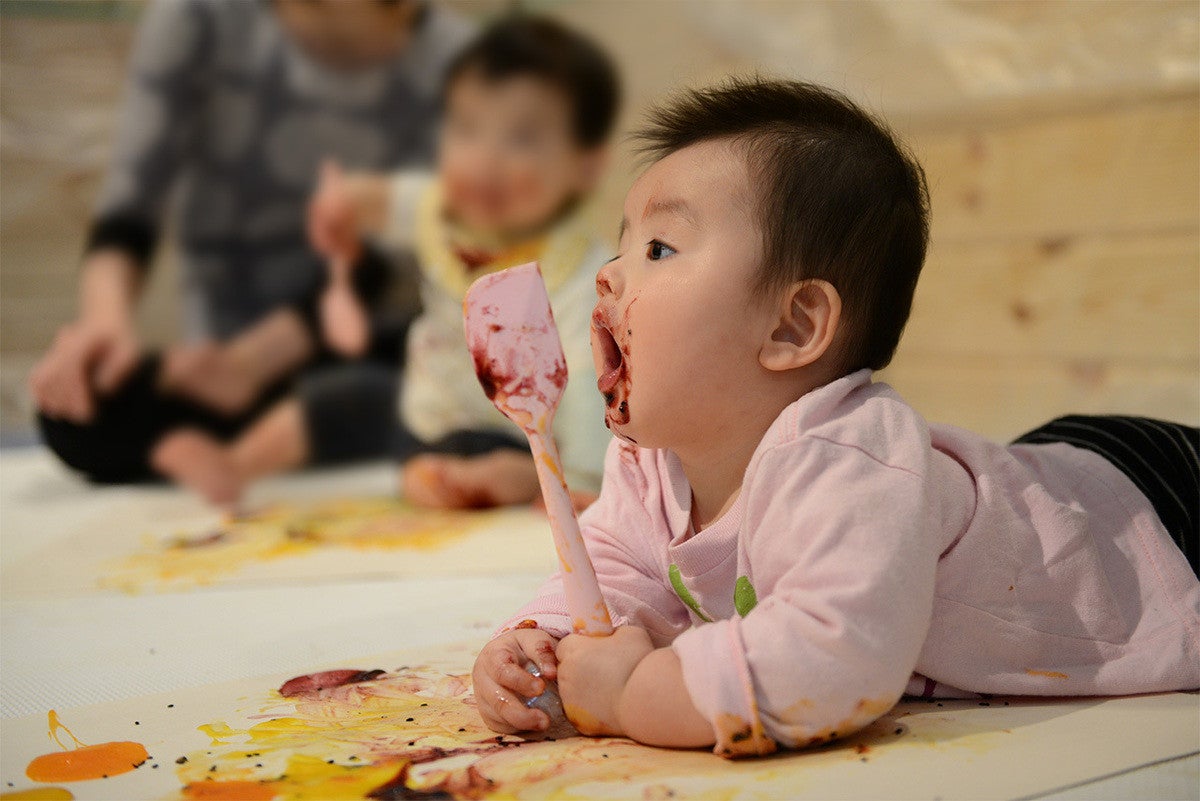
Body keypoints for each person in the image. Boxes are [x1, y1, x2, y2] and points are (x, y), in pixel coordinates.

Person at [471, 78, 1200, 757]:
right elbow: (618, 570)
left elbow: (834, 657)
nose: (609, 272)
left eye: (659, 247)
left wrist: (633, 694)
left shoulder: (844, 454)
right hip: (1029, 483)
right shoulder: (651, 461)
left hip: (1152, 513)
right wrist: (544, 639)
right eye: (625, 242)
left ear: (793, 327)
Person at [164, 15, 621, 509]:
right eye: (466, 130)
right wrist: (345, 205)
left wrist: (583, 477)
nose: (485, 162)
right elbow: (386, 201)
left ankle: (526, 478)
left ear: (584, 166)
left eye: (522, 140)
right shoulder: (444, 210)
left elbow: (584, 374)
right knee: (341, 395)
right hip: (425, 410)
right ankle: (236, 464)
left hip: (521, 430)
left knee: (503, 450)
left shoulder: (577, 269)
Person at [30, 0, 472, 492]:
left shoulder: (457, 58)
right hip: (229, 368)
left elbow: (420, 254)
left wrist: (256, 359)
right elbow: (129, 207)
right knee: (75, 412)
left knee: (446, 394)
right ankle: (257, 440)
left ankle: (255, 449)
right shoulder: (194, 19)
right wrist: (105, 327)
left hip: (388, 341)